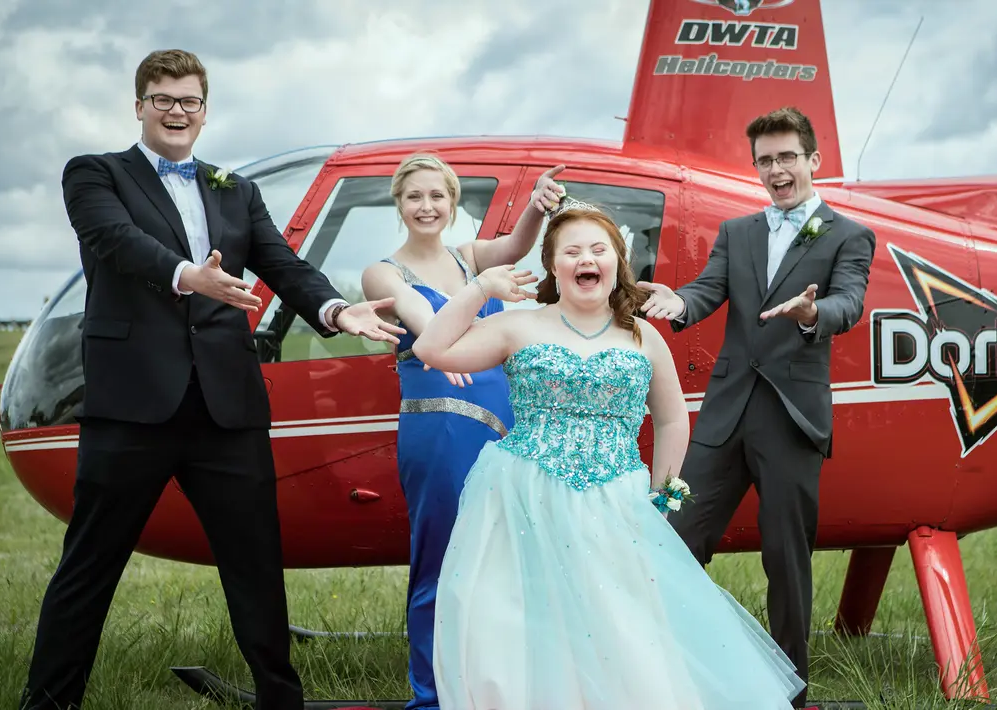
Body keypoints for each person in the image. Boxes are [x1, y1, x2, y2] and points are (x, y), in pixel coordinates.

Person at [18, 49, 404, 710]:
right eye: (163, 99)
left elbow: (283, 263)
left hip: (227, 408)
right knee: (89, 568)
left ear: (205, 110)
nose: (176, 111)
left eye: (189, 100)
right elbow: (113, 241)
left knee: (255, 567)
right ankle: (49, 702)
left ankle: (279, 699)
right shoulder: (95, 174)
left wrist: (336, 308)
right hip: (131, 407)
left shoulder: (235, 189)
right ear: (138, 106)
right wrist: (186, 275)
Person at [411, 199, 807, 709]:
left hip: (615, 499)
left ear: (618, 263)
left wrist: (663, 494)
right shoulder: (520, 327)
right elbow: (432, 349)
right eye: (571, 251)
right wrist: (481, 287)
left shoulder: (643, 337)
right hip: (521, 494)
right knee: (523, 623)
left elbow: (670, 418)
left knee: (619, 623)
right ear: (554, 265)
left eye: (598, 249)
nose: (585, 259)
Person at [638, 106, 876, 708]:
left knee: (785, 560)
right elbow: (707, 290)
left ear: (813, 161)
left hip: (792, 420)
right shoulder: (737, 232)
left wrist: (812, 313)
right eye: (765, 161)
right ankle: (663, 674)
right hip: (722, 415)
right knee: (672, 534)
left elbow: (849, 303)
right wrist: (679, 304)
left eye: (787, 157)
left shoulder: (849, 234)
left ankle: (789, 694)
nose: (776, 170)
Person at [360, 154, 563, 710]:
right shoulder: (384, 271)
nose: (426, 206)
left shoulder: (470, 255)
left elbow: (517, 247)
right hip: (440, 425)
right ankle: (433, 694)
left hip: (510, 420)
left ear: (453, 203)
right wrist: (443, 339)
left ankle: (503, 684)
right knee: (443, 556)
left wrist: (535, 206)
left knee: (508, 553)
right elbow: (418, 319)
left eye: (437, 196)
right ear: (398, 203)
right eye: (414, 196)